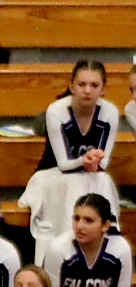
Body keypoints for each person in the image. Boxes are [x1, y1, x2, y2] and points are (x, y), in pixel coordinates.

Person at [22, 60, 123, 245]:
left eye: (94, 85)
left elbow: (103, 163)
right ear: (71, 87)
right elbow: (63, 164)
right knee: (76, 182)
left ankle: (110, 235)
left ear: (103, 89)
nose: (87, 91)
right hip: (52, 175)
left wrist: (94, 163)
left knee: (104, 179)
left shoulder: (110, 112)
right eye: (82, 84)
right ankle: (70, 242)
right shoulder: (57, 111)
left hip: (88, 176)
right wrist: (84, 161)